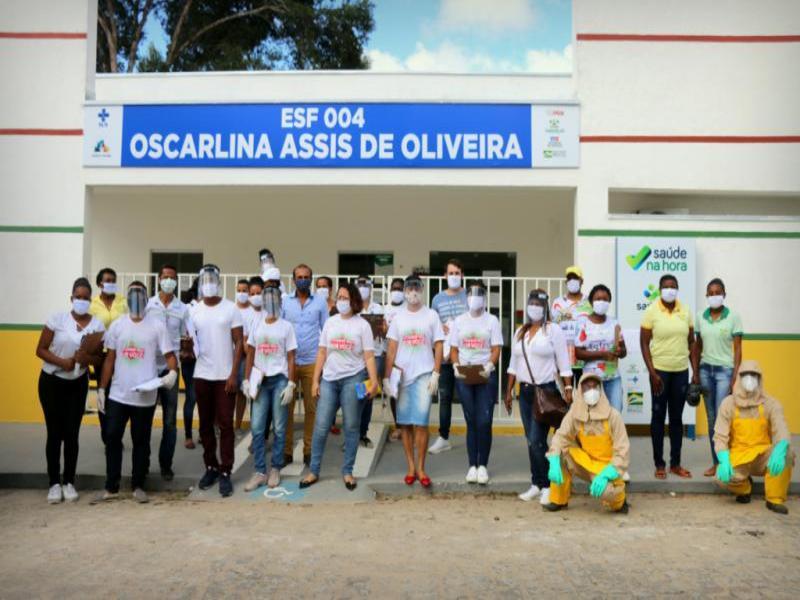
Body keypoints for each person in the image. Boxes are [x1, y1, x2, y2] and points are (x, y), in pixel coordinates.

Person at [96, 281, 177, 503]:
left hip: (145, 396)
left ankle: (138, 485)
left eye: (141, 294)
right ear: (127, 298)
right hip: (118, 394)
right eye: (132, 294)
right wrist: (101, 388)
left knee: (141, 442)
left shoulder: (157, 326)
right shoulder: (117, 326)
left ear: (147, 298)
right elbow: (109, 359)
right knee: (112, 437)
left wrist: (172, 373)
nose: (137, 298)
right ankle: (111, 486)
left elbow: (170, 356)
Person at [300, 282, 379, 490]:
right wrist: (315, 380)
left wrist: (374, 381)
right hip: (329, 379)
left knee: (351, 426)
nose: (342, 301)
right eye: (340, 297)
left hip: (354, 378)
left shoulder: (362, 325)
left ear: (354, 301)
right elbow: (322, 352)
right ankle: (313, 471)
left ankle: (348, 471)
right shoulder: (330, 322)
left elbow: (369, 356)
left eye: (346, 298)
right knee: (321, 426)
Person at [35, 277, 106, 503]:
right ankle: (54, 483)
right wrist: (62, 362)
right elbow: (40, 349)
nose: (82, 301)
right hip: (52, 382)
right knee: (54, 433)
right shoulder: (57, 319)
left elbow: (99, 358)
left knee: (72, 434)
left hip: (77, 384)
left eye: (86, 298)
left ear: (90, 300)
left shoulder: (97, 325)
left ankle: (69, 482)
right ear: (71, 298)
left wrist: (87, 359)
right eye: (78, 297)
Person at [504, 289, 573, 505]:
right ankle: (536, 483)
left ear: (545, 307)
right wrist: (508, 391)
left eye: (539, 304)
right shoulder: (520, 332)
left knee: (537, 440)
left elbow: (564, 362)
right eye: (531, 303)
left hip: (545, 391)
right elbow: (513, 364)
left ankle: (547, 486)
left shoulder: (553, 330)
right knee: (531, 440)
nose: (534, 307)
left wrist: (568, 388)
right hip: (524, 392)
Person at [384, 275, 445, 488]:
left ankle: (421, 467)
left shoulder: (431, 315)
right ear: (405, 291)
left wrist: (436, 372)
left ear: (422, 289)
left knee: (421, 423)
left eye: (416, 288)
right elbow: (391, 348)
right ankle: (410, 466)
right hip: (402, 376)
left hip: (424, 375)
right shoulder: (398, 318)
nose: (412, 292)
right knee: (405, 424)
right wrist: (386, 377)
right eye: (409, 288)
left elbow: (439, 345)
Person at [191, 264, 244, 497]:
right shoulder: (194, 311)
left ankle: (225, 471)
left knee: (225, 425)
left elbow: (239, 342)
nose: (209, 284)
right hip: (202, 375)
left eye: (213, 280)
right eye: (206, 281)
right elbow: (190, 341)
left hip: (225, 377)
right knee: (205, 425)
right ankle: (211, 467)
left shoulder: (231, 308)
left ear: (219, 283)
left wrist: (233, 374)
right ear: (201, 284)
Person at [714, 361, 793, 514]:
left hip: (764, 455)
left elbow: (781, 429)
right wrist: (723, 459)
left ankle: (774, 498)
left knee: (787, 455)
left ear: (759, 378)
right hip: (740, 456)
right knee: (720, 477)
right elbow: (720, 436)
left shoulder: (771, 403)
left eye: (754, 375)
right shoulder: (728, 404)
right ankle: (744, 489)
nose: (749, 379)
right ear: (739, 377)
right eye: (745, 375)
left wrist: (781, 447)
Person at [544, 373, 630, 513]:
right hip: (585, 462)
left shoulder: (613, 415)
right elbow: (561, 436)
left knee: (607, 492)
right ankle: (558, 500)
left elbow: (623, 451)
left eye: (594, 387)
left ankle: (620, 501)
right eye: (587, 387)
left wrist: (608, 473)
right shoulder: (575, 413)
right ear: (580, 390)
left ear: (600, 389)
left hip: (606, 468)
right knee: (560, 454)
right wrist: (553, 460)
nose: (591, 390)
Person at [640, 274, 694, 480]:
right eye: (666, 286)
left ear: (677, 289)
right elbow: (644, 343)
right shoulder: (651, 311)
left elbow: (691, 342)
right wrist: (652, 372)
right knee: (658, 417)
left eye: (673, 286)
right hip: (659, 373)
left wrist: (695, 372)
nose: (670, 290)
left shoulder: (685, 310)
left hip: (681, 371)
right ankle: (659, 464)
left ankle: (676, 464)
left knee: (677, 419)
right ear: (660, 289)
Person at [243, 286, 297, 491]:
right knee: (257, 428)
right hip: (260, 381)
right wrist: (246, 380)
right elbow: (250, 353)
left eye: (274, 297)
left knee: (280, 427)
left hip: (280, 380)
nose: (271, 301)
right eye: (267, 297)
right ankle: (259, 471)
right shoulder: (257, 325)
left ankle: (275, 467)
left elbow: (291, 356)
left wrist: (291, 383)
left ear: (280, 301)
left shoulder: (286, 327)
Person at [449, 281, 503, 484]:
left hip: (485, 374)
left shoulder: (492, 320)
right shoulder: (459, 321)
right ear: (467, 297)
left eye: (479, 294)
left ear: (485, 298)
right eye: (472, 294)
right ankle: (472, 465)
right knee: (471, 420)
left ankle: (483, 466)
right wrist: (456, 365)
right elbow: (454, 348)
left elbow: (496, 348)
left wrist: (489, 365)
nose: (475, 298)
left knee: (484, 421)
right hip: (465, 374)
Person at [691, 278, 743, 476]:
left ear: (724, 294)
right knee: (712, 418)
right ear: (706, 296)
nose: (714, 296)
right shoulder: (700, 317)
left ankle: (729, 461)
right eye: (711, 293)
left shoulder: (733, 317)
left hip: (724, 372)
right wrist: (696, 373)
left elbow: (738, 350)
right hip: (705, 371)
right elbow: (697, 347)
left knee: (723, 417)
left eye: (718, 292)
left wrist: (734, 376)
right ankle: (717, 463)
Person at [145, 264, 190, 481]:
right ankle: (142, 464)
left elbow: (185, 337)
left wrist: (185, 351)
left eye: (172, 277)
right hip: (148, 369)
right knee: (144, 418)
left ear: (176, 281)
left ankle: (165, 465)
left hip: (171, 369)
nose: (168, 281)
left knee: (170, 421)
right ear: (159, 279)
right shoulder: (148, 305)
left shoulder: (182, 308)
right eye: (165, 277)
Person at [282, 264, 329, 466]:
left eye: (306, 277)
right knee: (287, 409)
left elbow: (326, 330)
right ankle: (286, 451)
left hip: (312, 362)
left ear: (311, 279)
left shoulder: (320, 302)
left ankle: (309, 451)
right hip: (290, 363)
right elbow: (280, 329)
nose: (303, 280)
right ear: (293, 280)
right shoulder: (285, 302)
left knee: (312, 409)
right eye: (299, 277)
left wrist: (325, 361)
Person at [428, 259, 468, 455]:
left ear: (462, 275)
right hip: (444, 357)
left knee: (467, 396)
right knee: (445, 398)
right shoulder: (437, 299)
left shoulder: (469, 296)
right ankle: (443, 437)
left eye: (457, 273)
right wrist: (440, 327)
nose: (454, 276)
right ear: (445, 275)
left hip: (465, 356)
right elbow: (432, 326)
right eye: (450, 273)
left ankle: (474, 435)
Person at [89, 267, 127, 443]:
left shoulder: (123, 302)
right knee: (104, 393)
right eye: (107, 280)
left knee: (119, 396)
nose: (111, 283)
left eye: (113, 280)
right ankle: (107, 435)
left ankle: (116, 434)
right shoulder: (92, 305)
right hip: (101, 356)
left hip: (121, 355)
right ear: (99, 283)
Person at [574, 284, 627, 412]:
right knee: (592, 415)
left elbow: (623, 351)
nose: (601, 302)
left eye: (605, 299)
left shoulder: (614, 323)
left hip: (613, 377)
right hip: (591, 379)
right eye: (598, 299)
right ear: (591, 302)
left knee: (615, 413)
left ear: (609, 302)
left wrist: (620, 351)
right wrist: (602, 354)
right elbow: (578, 353)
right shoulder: (583, 323)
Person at [356, 275, 386, 448]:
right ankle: (354, 434)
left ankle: (363, 433)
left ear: (371, 287)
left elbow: (384, 333)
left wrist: (384, 328)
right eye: (360, 284)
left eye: (366, 284)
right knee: (357, 395)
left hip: (375, 355)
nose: (363, 288)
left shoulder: (378, 308)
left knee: (368, 395)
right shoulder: (353, 308)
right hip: (358, 357)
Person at [551, 265, 592, 385]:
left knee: (584, 393)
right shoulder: (557, 303)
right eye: (569, 279)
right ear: (566, 282)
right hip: (563, 358)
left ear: (581, 281)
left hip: (584, 359)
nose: (572, 281)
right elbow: (553, 328)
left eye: (575, 278)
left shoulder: (589, 302)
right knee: (564, 394)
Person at [235, 275, 265, 432]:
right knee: (245, 393)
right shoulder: (242, 313)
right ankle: (238, 426)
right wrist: (253, 357)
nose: (255, 296)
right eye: (252, 294)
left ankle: (258, 430)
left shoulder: (267, 312)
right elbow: (245, 341)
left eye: (258, 293)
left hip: (266, 361)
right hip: (247, 360)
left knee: (259, 397)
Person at [383, 277, 406, 441]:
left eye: (399, 289)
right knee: (393, 393)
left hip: (406, 356)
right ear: (390, 290)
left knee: (406, 392)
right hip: (390, 356)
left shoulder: (408, 309)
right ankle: (398, 426)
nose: (396, 291)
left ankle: (407, 427)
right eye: (394, 288)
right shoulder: (385, 309)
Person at [180, 277, 199, 449]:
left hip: (208, 359)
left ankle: (205, 432)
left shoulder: (213, 308)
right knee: (192, 396)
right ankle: (188, 435)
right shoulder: (187, 308)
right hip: (191, 358)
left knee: (206, 398)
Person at [233, 278, 251, 432]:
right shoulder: (231, 309)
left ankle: (237, 425)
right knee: (227, 390)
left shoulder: (253, 311)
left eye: (245, 290)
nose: (242, 293)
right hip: (231, 354)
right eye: (239, 290)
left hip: (246, 355)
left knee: (242, 392)